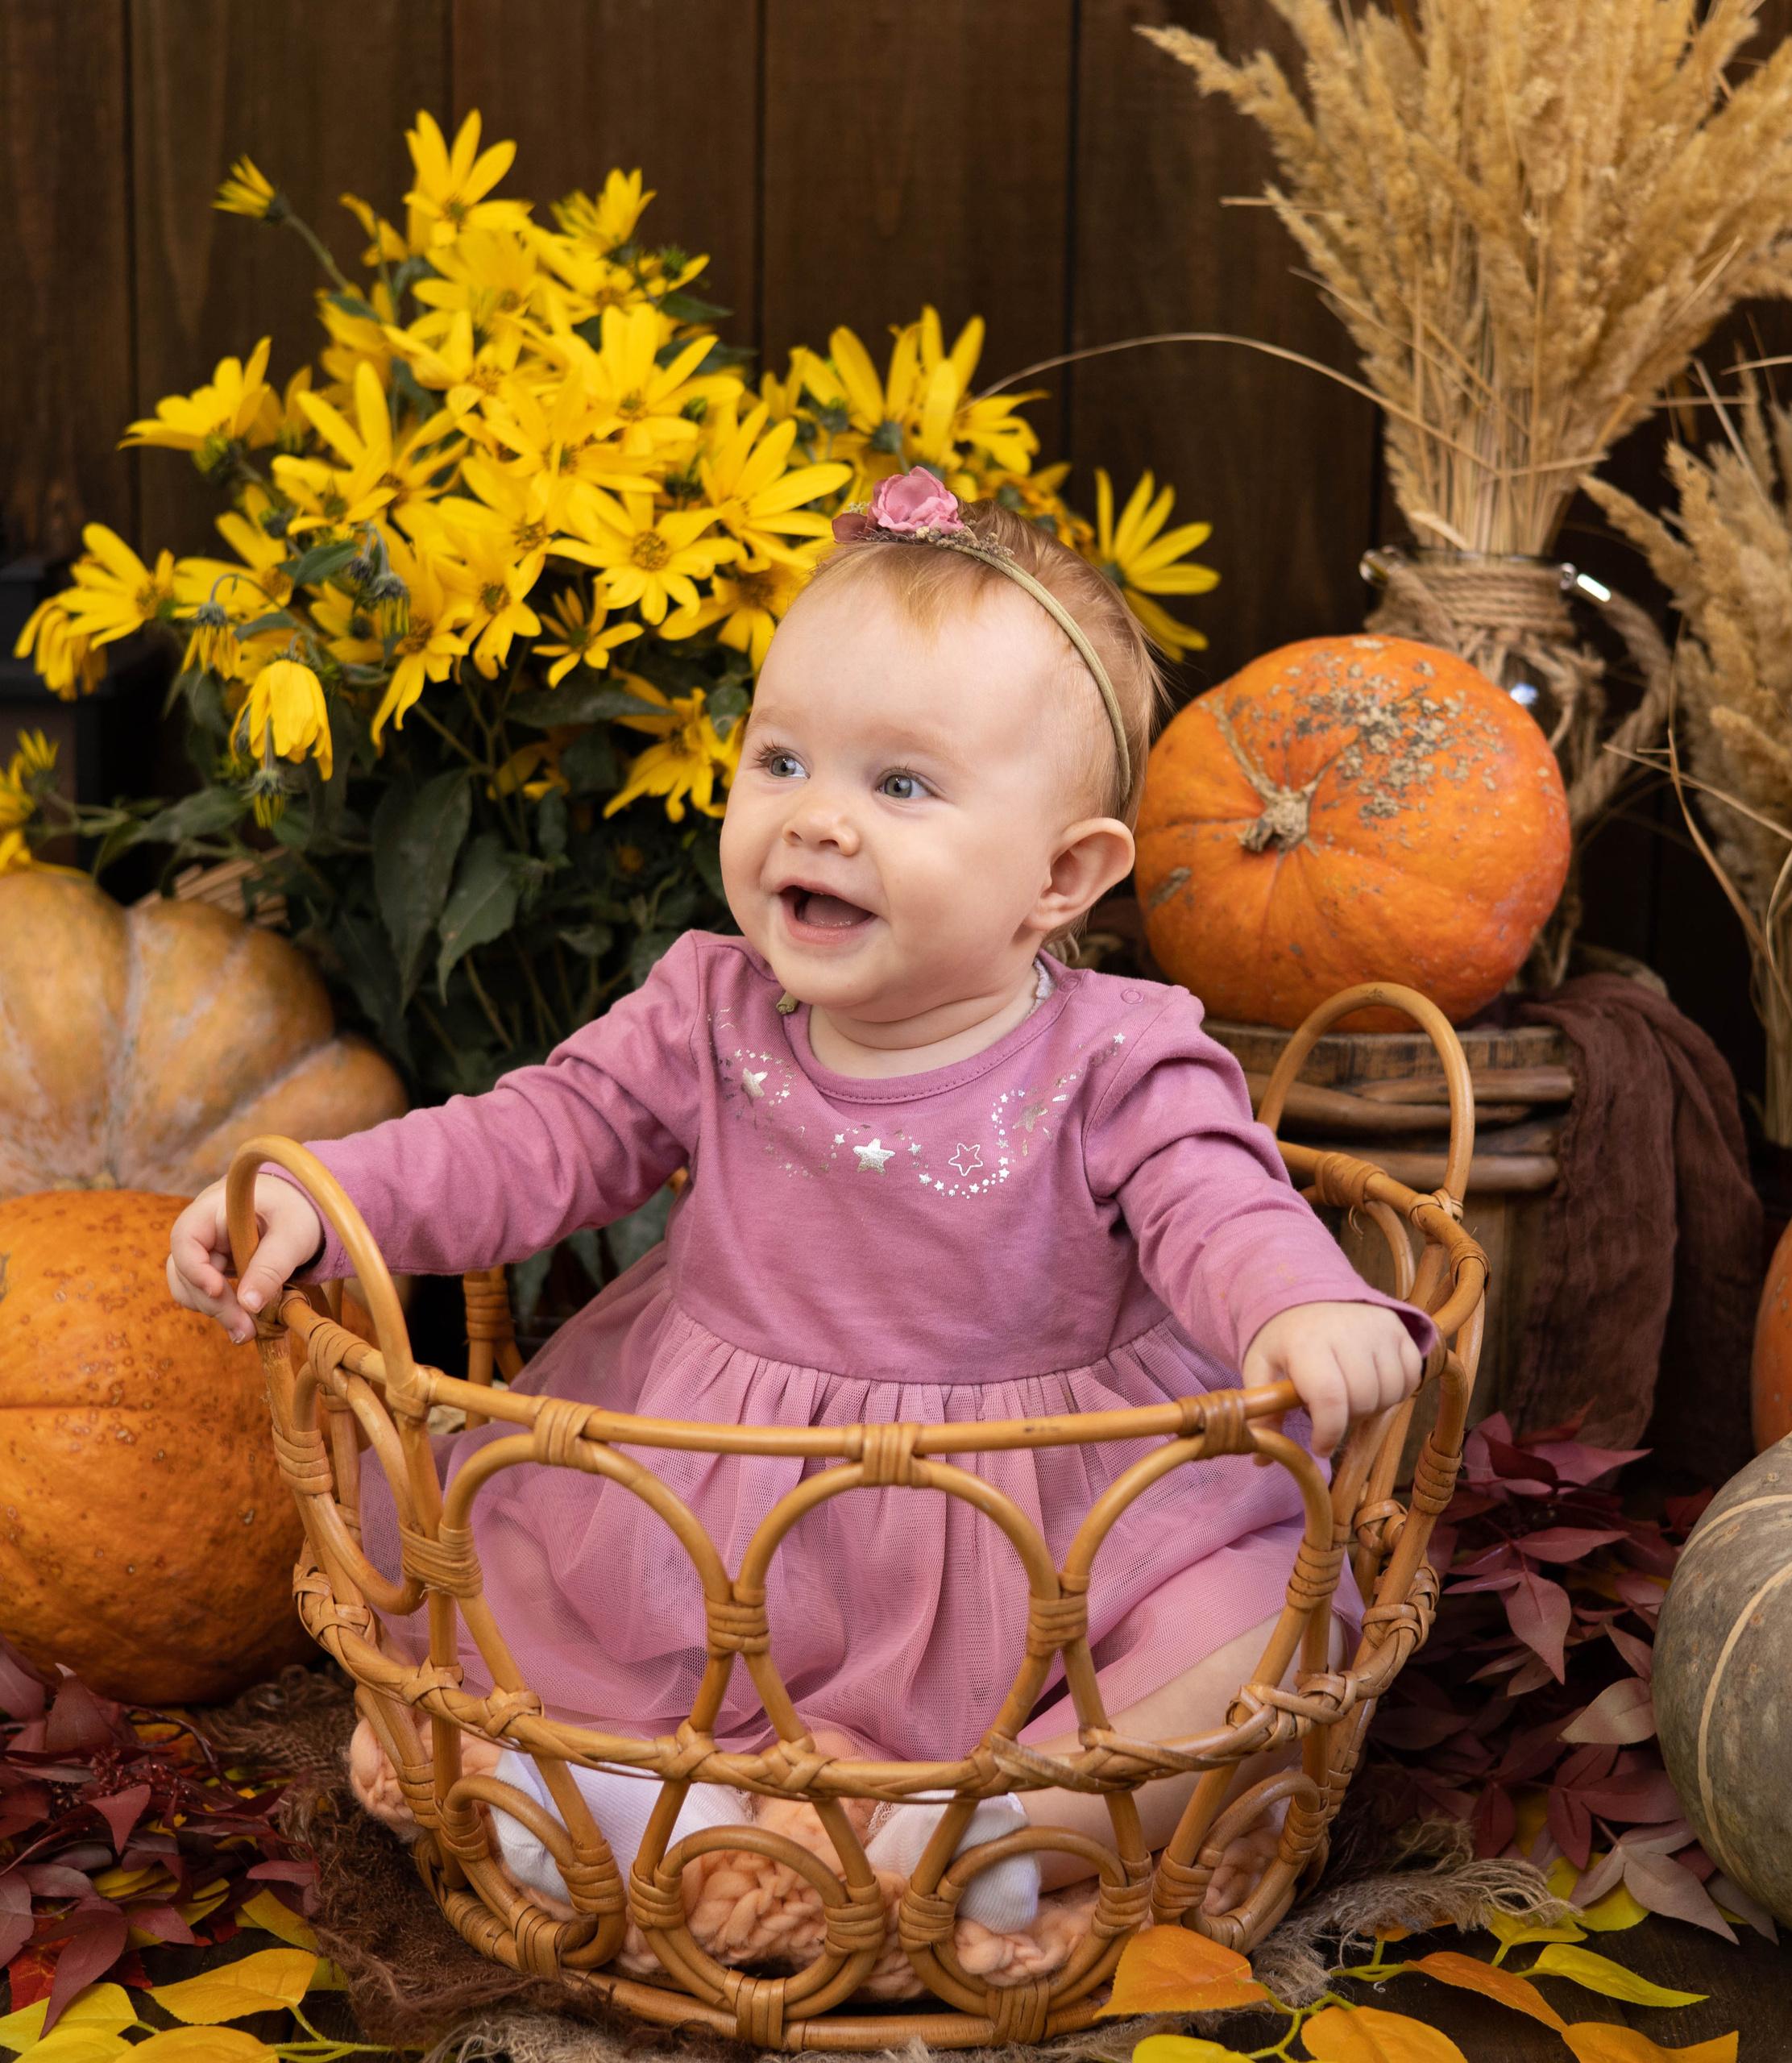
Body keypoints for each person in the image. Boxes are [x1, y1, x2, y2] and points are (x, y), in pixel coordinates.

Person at [168, 471, 1434, 1962]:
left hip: (1048, 1535)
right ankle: (642, 1818)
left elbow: (1221, 1199)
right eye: (780, 761)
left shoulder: (1118, 1053)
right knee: (506, 1572)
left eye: (901, 786)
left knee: (1257, 1632)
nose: (816, 821)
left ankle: (970, 1845)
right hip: (723, 1513)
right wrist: (337, 1195)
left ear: (1062, 876)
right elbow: (535, 1138)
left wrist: (1298, 1302)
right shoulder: (710, 1009)